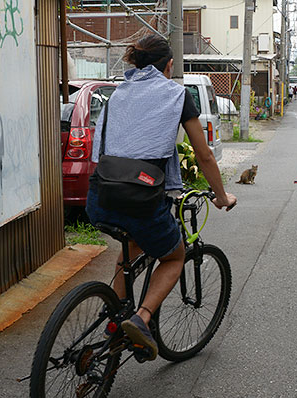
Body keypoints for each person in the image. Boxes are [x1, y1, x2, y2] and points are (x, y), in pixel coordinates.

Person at [85, 34, 237, 361]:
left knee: (132, 245)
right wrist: (221, 196)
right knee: (173, 257)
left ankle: (113, 321)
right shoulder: (175, 95)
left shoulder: (117, 95)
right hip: (142, 197)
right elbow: (205, 155)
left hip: (100, 197)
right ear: (168, 66)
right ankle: (141, 318)